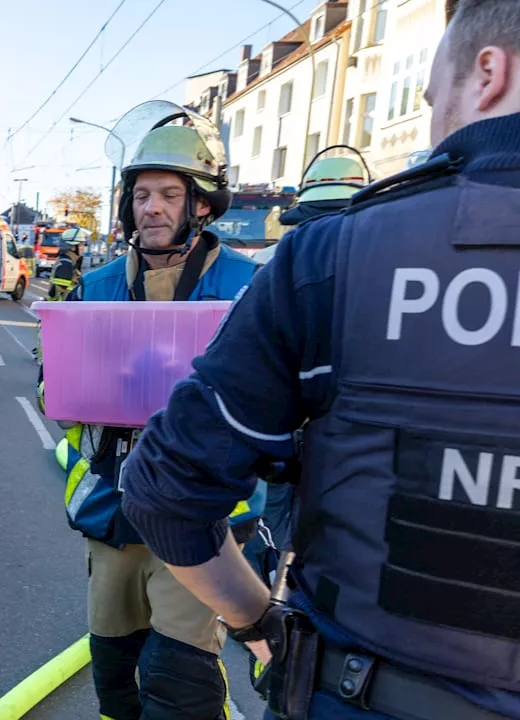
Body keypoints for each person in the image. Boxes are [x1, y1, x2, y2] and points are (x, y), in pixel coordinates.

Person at [119, 3, 520, 718]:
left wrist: (256, 621)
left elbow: (167, 487)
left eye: (432, 99)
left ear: (489, 73)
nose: (431, 125)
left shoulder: (337, 257)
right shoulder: (106, 282)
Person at [38, 100, 263, 720]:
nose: (152, 207)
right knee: (115, 671)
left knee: (178, 676)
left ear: (201, 204)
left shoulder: (247, 288)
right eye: (141, 195)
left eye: (169, 193)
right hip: (114, 505)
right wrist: (71, 388)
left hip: (204, 511)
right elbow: (49, 391)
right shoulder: (96, 287)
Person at [242, 146, 372, 581]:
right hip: (343, 439)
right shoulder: (385, 264)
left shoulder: (272, 262)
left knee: (275, 522)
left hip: (284, 428)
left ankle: (274, 595)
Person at [47, 231, 85, 301]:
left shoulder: (70, 262)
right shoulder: (66, 265)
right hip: (63, 308)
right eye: (81, 245)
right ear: (73, 247)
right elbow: (57, 293)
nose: (83, 247)